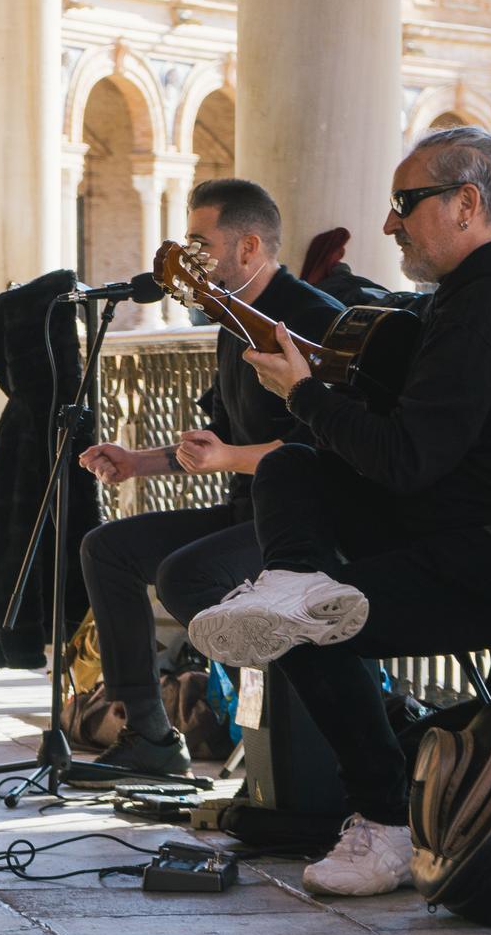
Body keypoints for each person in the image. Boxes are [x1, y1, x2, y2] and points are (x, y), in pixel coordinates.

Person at [191, 126, 491, 898]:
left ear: (467, 204)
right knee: (294, 473)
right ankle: (292, 580)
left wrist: (303, 394)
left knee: (305, 624)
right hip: (471, 523)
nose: (388, 223)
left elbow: (405, 459)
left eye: (405, 203)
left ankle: (385, 821)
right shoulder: (478, 297)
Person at [74, 180, 341, 777]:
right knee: (107, 549)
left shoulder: (314, 318)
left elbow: (327, 446)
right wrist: (140, 461)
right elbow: (216, 442)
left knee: (183, 576)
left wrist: (229, 458)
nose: (188, 257)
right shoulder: (229, 323)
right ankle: (147, 733)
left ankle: (281, 729)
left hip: (304, 527)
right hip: (246, 510)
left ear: (248, 248)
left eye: (200, 242)